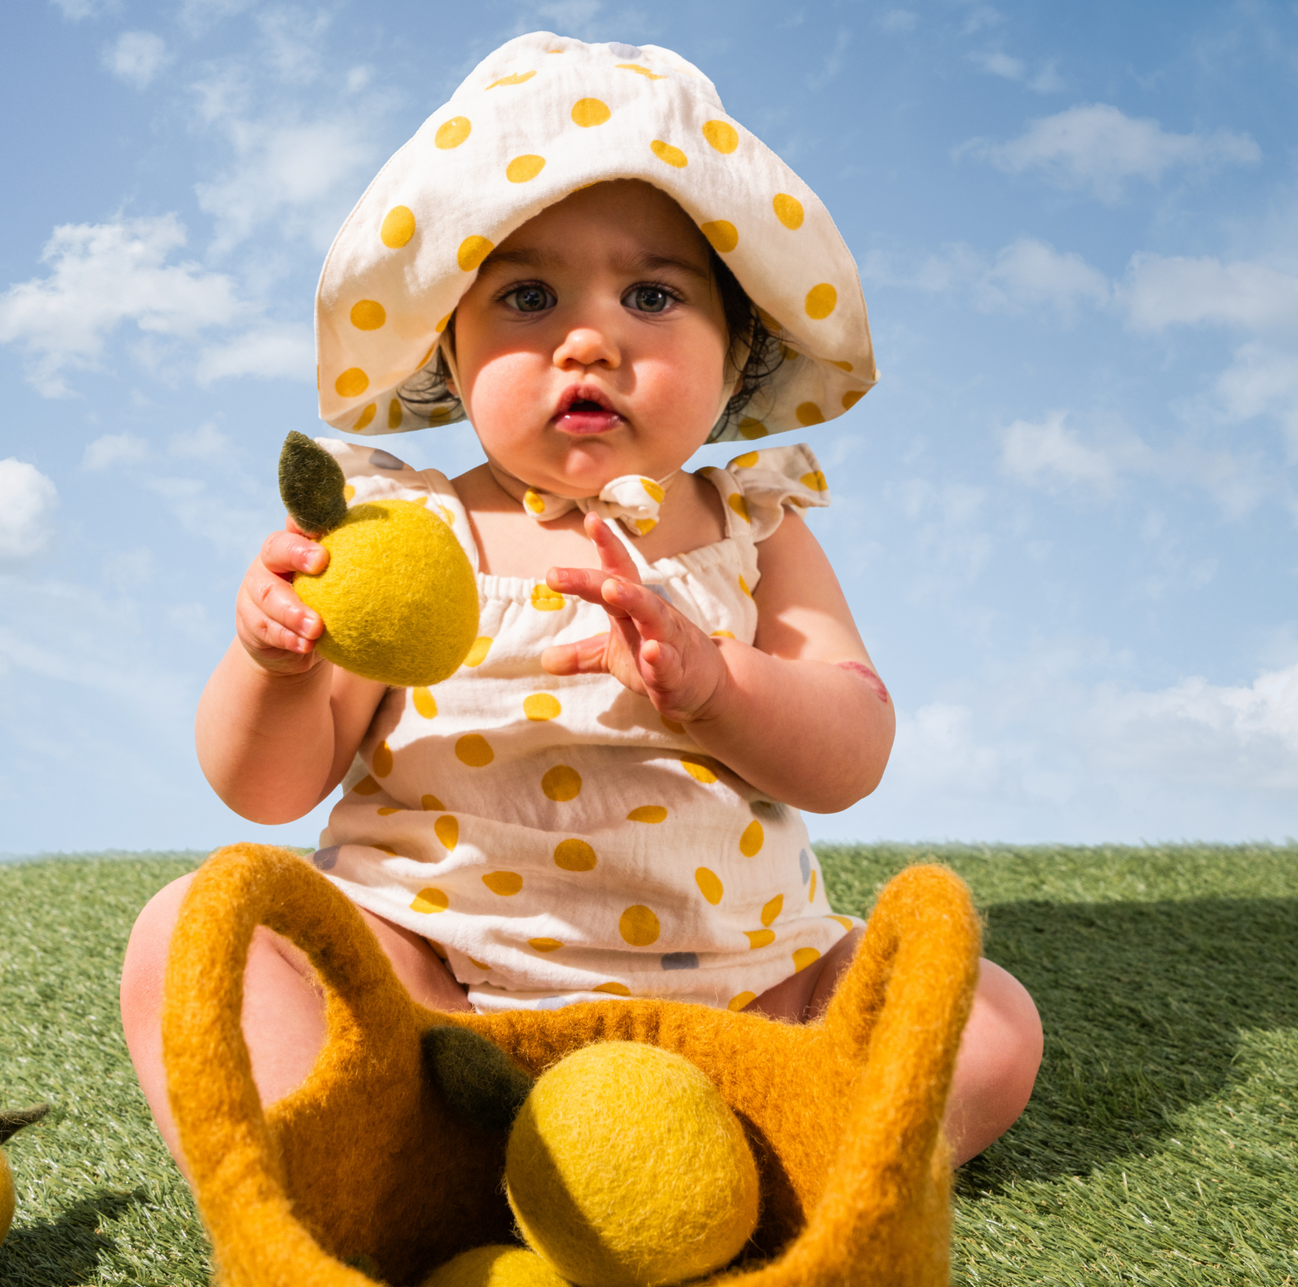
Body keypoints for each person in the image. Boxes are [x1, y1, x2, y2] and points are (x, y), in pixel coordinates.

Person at [121, 33, 1042, 1175]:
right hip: (438, 999)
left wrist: (715, 684)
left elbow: (849, 748)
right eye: (525, 294)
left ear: (738, 350)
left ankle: (724, 1159)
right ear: (449, 353)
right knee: (191, 933)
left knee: (990, 1020)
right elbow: (263, 788)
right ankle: (358, 1165)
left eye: (652, 293)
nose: (588, 338)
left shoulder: (752, 521)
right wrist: (278, 662)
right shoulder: (399, 529)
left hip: (744, 1007)